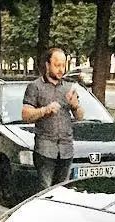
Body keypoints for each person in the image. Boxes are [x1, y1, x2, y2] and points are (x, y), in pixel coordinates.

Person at [21, 47, 84, 189]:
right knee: (46, 190)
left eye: (63, 65)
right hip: (45, 149)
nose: (61, 69)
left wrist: (75, 106)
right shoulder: (35, 87)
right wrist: (45, 110)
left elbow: (80, 116)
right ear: (47, 65)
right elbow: (25, 114)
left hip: (66, 148)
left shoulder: (69, 87)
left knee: (62, 192)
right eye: (57, 65)